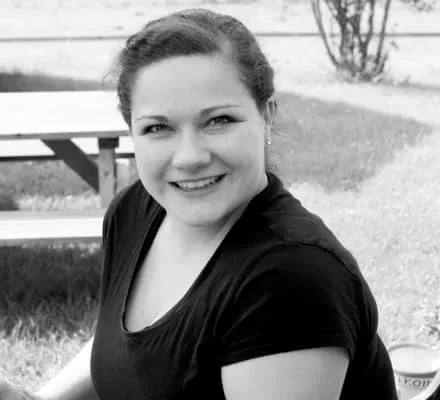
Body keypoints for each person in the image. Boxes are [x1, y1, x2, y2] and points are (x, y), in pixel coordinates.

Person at [0, 8, 399, 400]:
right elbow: (137, 355)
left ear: (267, 116)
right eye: (158, 127)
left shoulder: (291, 281)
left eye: (219, 120)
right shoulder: (135, 210)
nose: (189, 157)